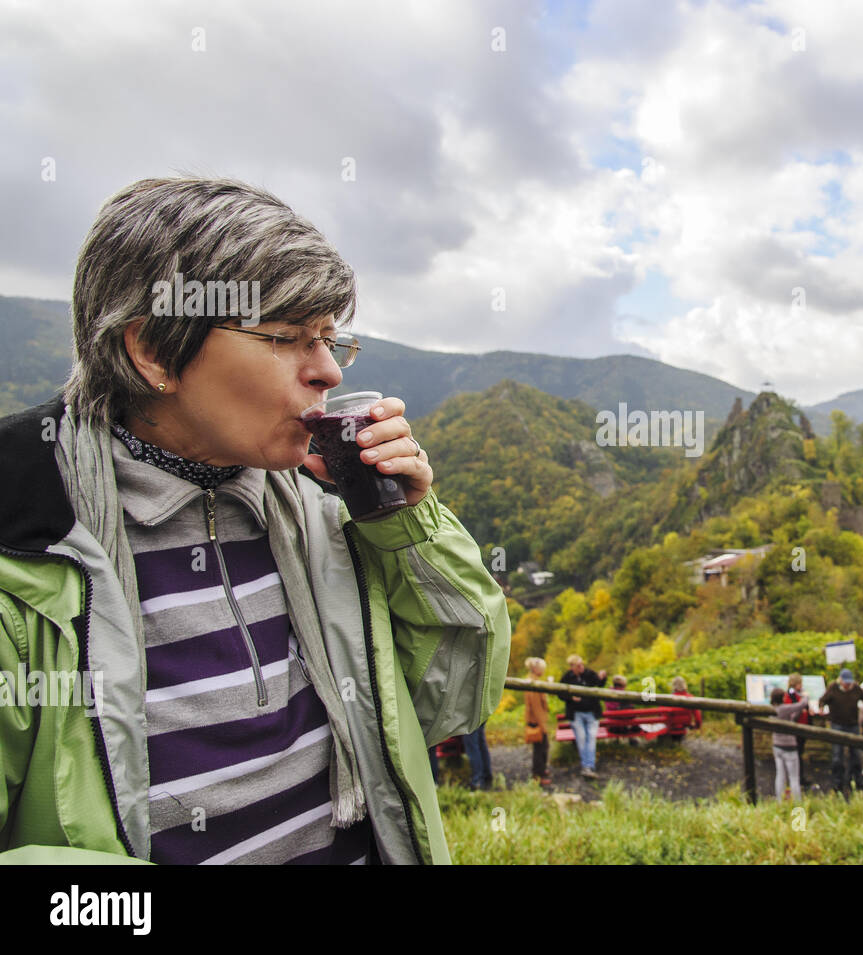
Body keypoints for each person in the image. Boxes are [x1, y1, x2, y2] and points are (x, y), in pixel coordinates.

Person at [0, 177, 511, 865]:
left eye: (332, 339)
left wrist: (408, 526)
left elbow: (452, 698)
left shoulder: (324, 502)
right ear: (151, 348)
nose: (327, 370)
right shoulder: (26, 533)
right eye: (287, 338)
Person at [820, 668, 863, 798]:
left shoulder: (856, 688)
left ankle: (857, 780)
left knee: (856, 754)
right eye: (845, 682)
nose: (847, 685)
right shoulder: (833, 688)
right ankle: (837, 782)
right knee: (837, 755)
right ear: (840, 680)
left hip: (852, 724)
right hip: (837, 724)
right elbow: (822, 700)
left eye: (849, 682)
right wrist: (821, 709)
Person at [560, 654, 607, 779]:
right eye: (578, 665)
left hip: (591, 712)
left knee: (591, 739)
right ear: (572, 667)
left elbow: (599, 684)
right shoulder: (567, 677)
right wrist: (571, 698)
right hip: (576, 714)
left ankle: (588, 766)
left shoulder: (589, 674)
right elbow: (560, 693)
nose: (581, 667)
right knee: (581, 739)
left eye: (582, 664)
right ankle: (586, 766)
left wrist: (603, 677)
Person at [770, 687, 808, 801]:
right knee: (794, 778)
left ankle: (780, 801)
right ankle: (797, 803)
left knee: (780, 775)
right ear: (782, 697)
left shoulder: (772, 710)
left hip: (777, 745)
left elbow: (791, 718)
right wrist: (805, 696)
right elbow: (801, 705)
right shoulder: (783, 709)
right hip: (789, 746)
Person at [523, 657, 551, 786]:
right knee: (540, 749)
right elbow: (535, 706)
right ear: (535, 669)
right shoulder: (532, 682)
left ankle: (541, 771)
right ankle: (537, 776)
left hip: (538, 720)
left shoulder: (535, 680)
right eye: (541, 668)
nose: (543, 670)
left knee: (544, 747)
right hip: (536, 721)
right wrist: (542, 724)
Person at [782, 673, 811, 780]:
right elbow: (792, 709)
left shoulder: (799, 694)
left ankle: (799, 776)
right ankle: (797, 778)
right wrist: (803, 704)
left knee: (799, 752)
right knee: (796, 754)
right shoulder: (790, 694)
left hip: (803, 726)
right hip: (796, 728)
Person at [463, 724, 493, 791]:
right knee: (480, 742)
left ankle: (477, 780)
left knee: (472, 745)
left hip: (470, 717)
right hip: (480, 715)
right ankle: (487, 777)